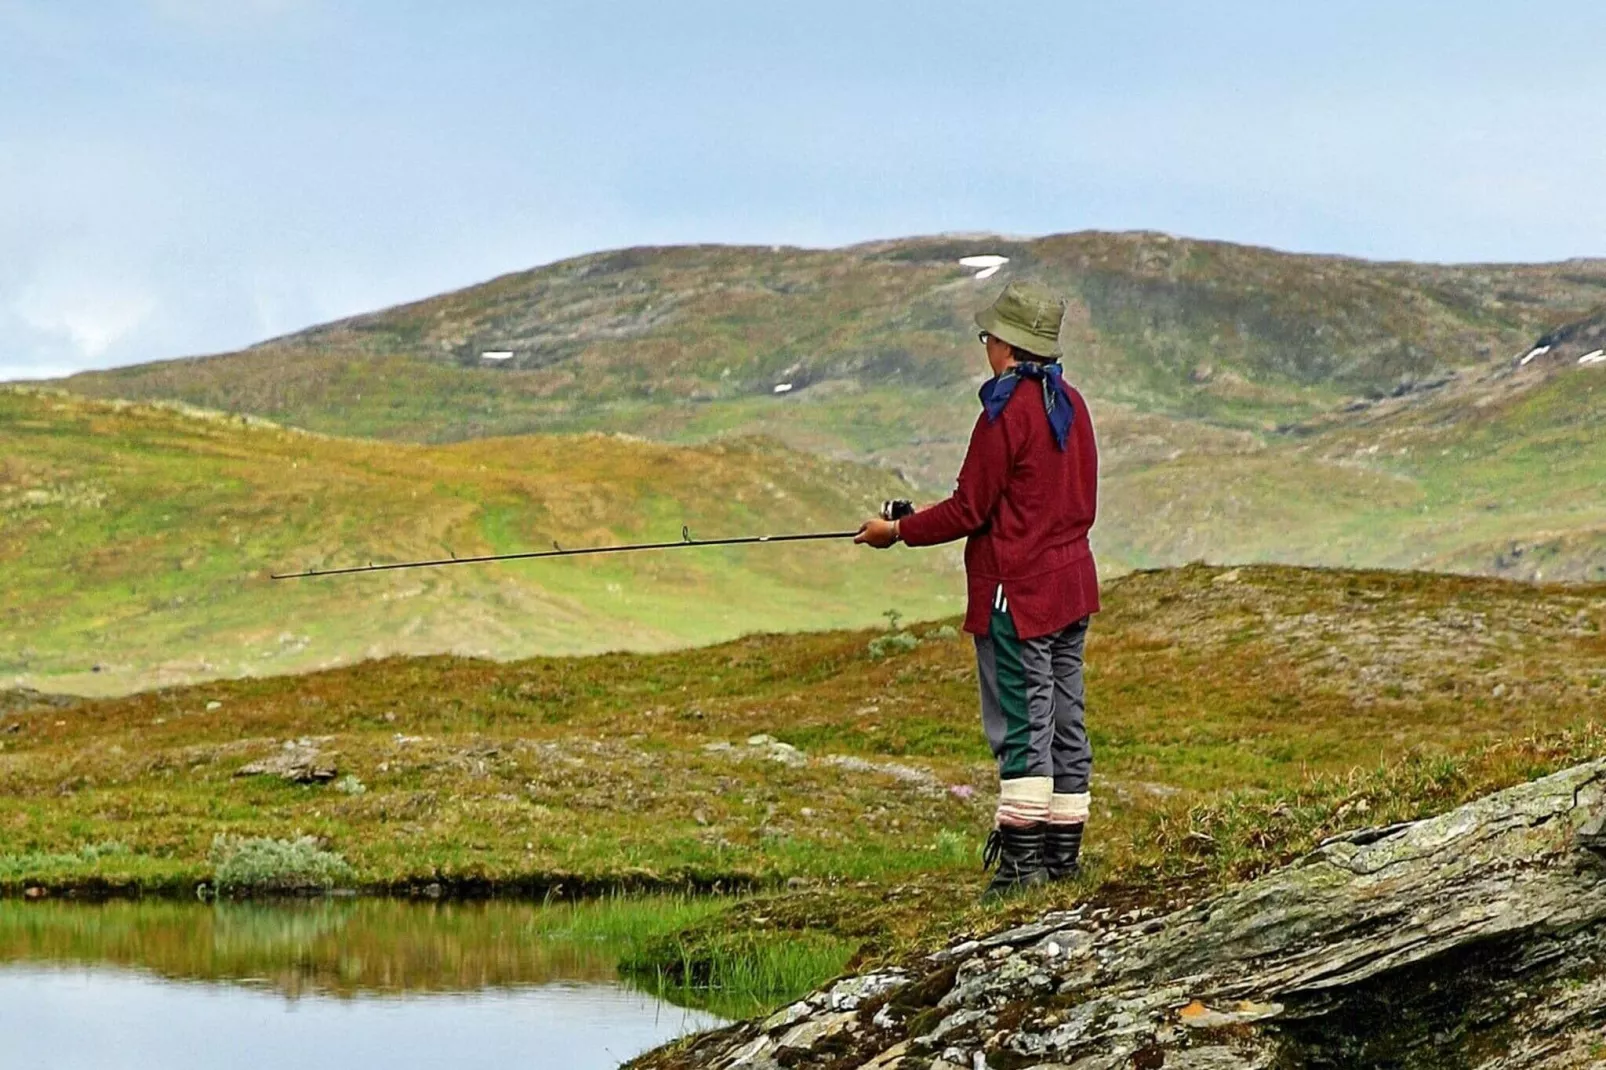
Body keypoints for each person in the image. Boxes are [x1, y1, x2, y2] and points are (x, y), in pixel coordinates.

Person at [856, 280, 1099, 900]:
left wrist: (898, 531)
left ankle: (1021, 869)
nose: (985, 345)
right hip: (1072, 589)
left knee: (1021, 722)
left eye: (988, 336)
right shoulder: (1072, 404)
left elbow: (969, 509)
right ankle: (1062, 858)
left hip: (1016, 596)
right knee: (1065, 721)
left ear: (1009, 346)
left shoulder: (1005, 413)